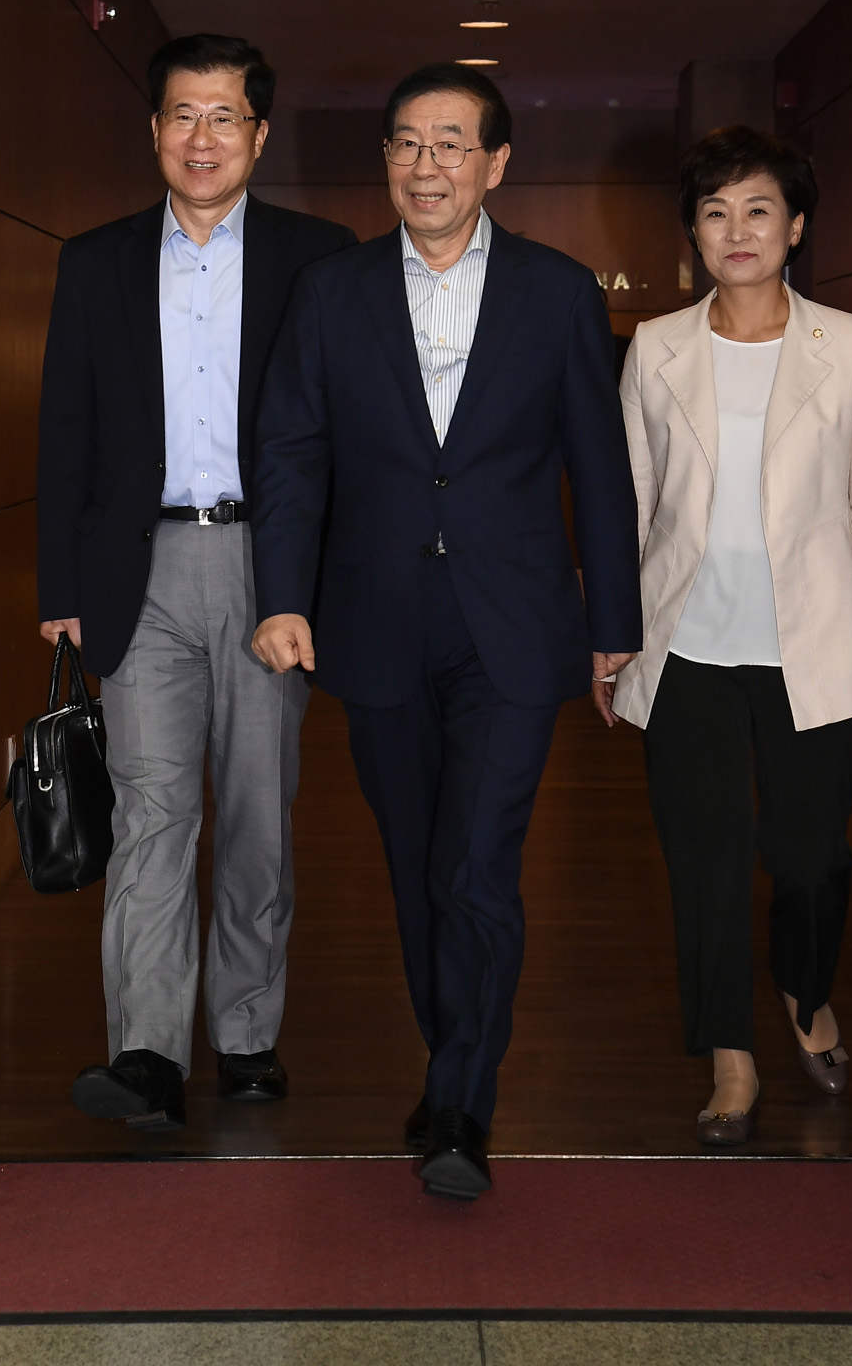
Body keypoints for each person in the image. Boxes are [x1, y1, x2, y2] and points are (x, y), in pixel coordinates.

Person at [250, 62, 642, 1199]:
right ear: (386, 160)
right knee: (418, 866)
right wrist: (282, 594)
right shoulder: (330, 292)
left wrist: (612, 620)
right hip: (373, 623)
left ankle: (464, 1102)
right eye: (407, 144)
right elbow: (291, 451)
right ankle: (448, 1055)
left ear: (495, 163)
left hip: (512, 627)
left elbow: (598, 465)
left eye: (451, 144)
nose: (427, 166)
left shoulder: (557, 292)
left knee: (475, 864)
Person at [37, 32, 354, 1131]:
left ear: (259, 135)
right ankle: (146, 1051)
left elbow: (341, 434)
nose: (202, 137)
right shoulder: (96, 260)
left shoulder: (319, 257)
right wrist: (62, 583)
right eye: (182, 114)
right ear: (155, 130)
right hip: (140, 567)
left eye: (224, 116)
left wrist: (322, 580)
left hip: (270, 564)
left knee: (258, 810)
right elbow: (65, 432)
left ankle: (247, 1031)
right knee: (152, 810)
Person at [610, 125, 852, 1146]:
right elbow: (629, 502)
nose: (736, 229)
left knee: (810, 858)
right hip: (687, 646)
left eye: (758, 209)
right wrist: (609, 632)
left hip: (815, 641)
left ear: (794, 227)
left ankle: (803, 989)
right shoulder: (656, 347)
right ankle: (730, 1056)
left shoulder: (846, 342)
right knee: (703, 860)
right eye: (714, 211)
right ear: (692, 232)